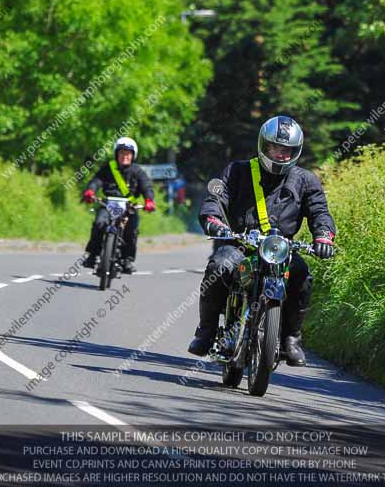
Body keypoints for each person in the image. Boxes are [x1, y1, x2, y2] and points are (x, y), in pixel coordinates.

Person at [188, 115, 336, 366]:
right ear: (263, 145)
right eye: (275, 148)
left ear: (296, 151)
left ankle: (291, 338)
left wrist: (323, 236)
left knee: (301, 274)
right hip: (241, 244)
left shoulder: (305, 180)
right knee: (218, 267)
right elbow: (216, 199)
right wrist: (214, 221)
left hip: (281, 248)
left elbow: (320, 212)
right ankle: (206, 331)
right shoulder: (237, 171)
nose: (280, 154)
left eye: (287, 150)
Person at [81, 136, 156, 274]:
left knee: (132, 231)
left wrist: (149, 200)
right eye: (121, 153)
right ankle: (93, 256)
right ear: (116, 154)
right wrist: (90, 191)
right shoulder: (108, 168)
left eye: (128, 153)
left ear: (133, 155)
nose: (124, 156)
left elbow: (147, 186)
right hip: (108, 203)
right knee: (99, 224)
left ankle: (127, 260)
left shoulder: (137, 171)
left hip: (129, 207)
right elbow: (96, 180)